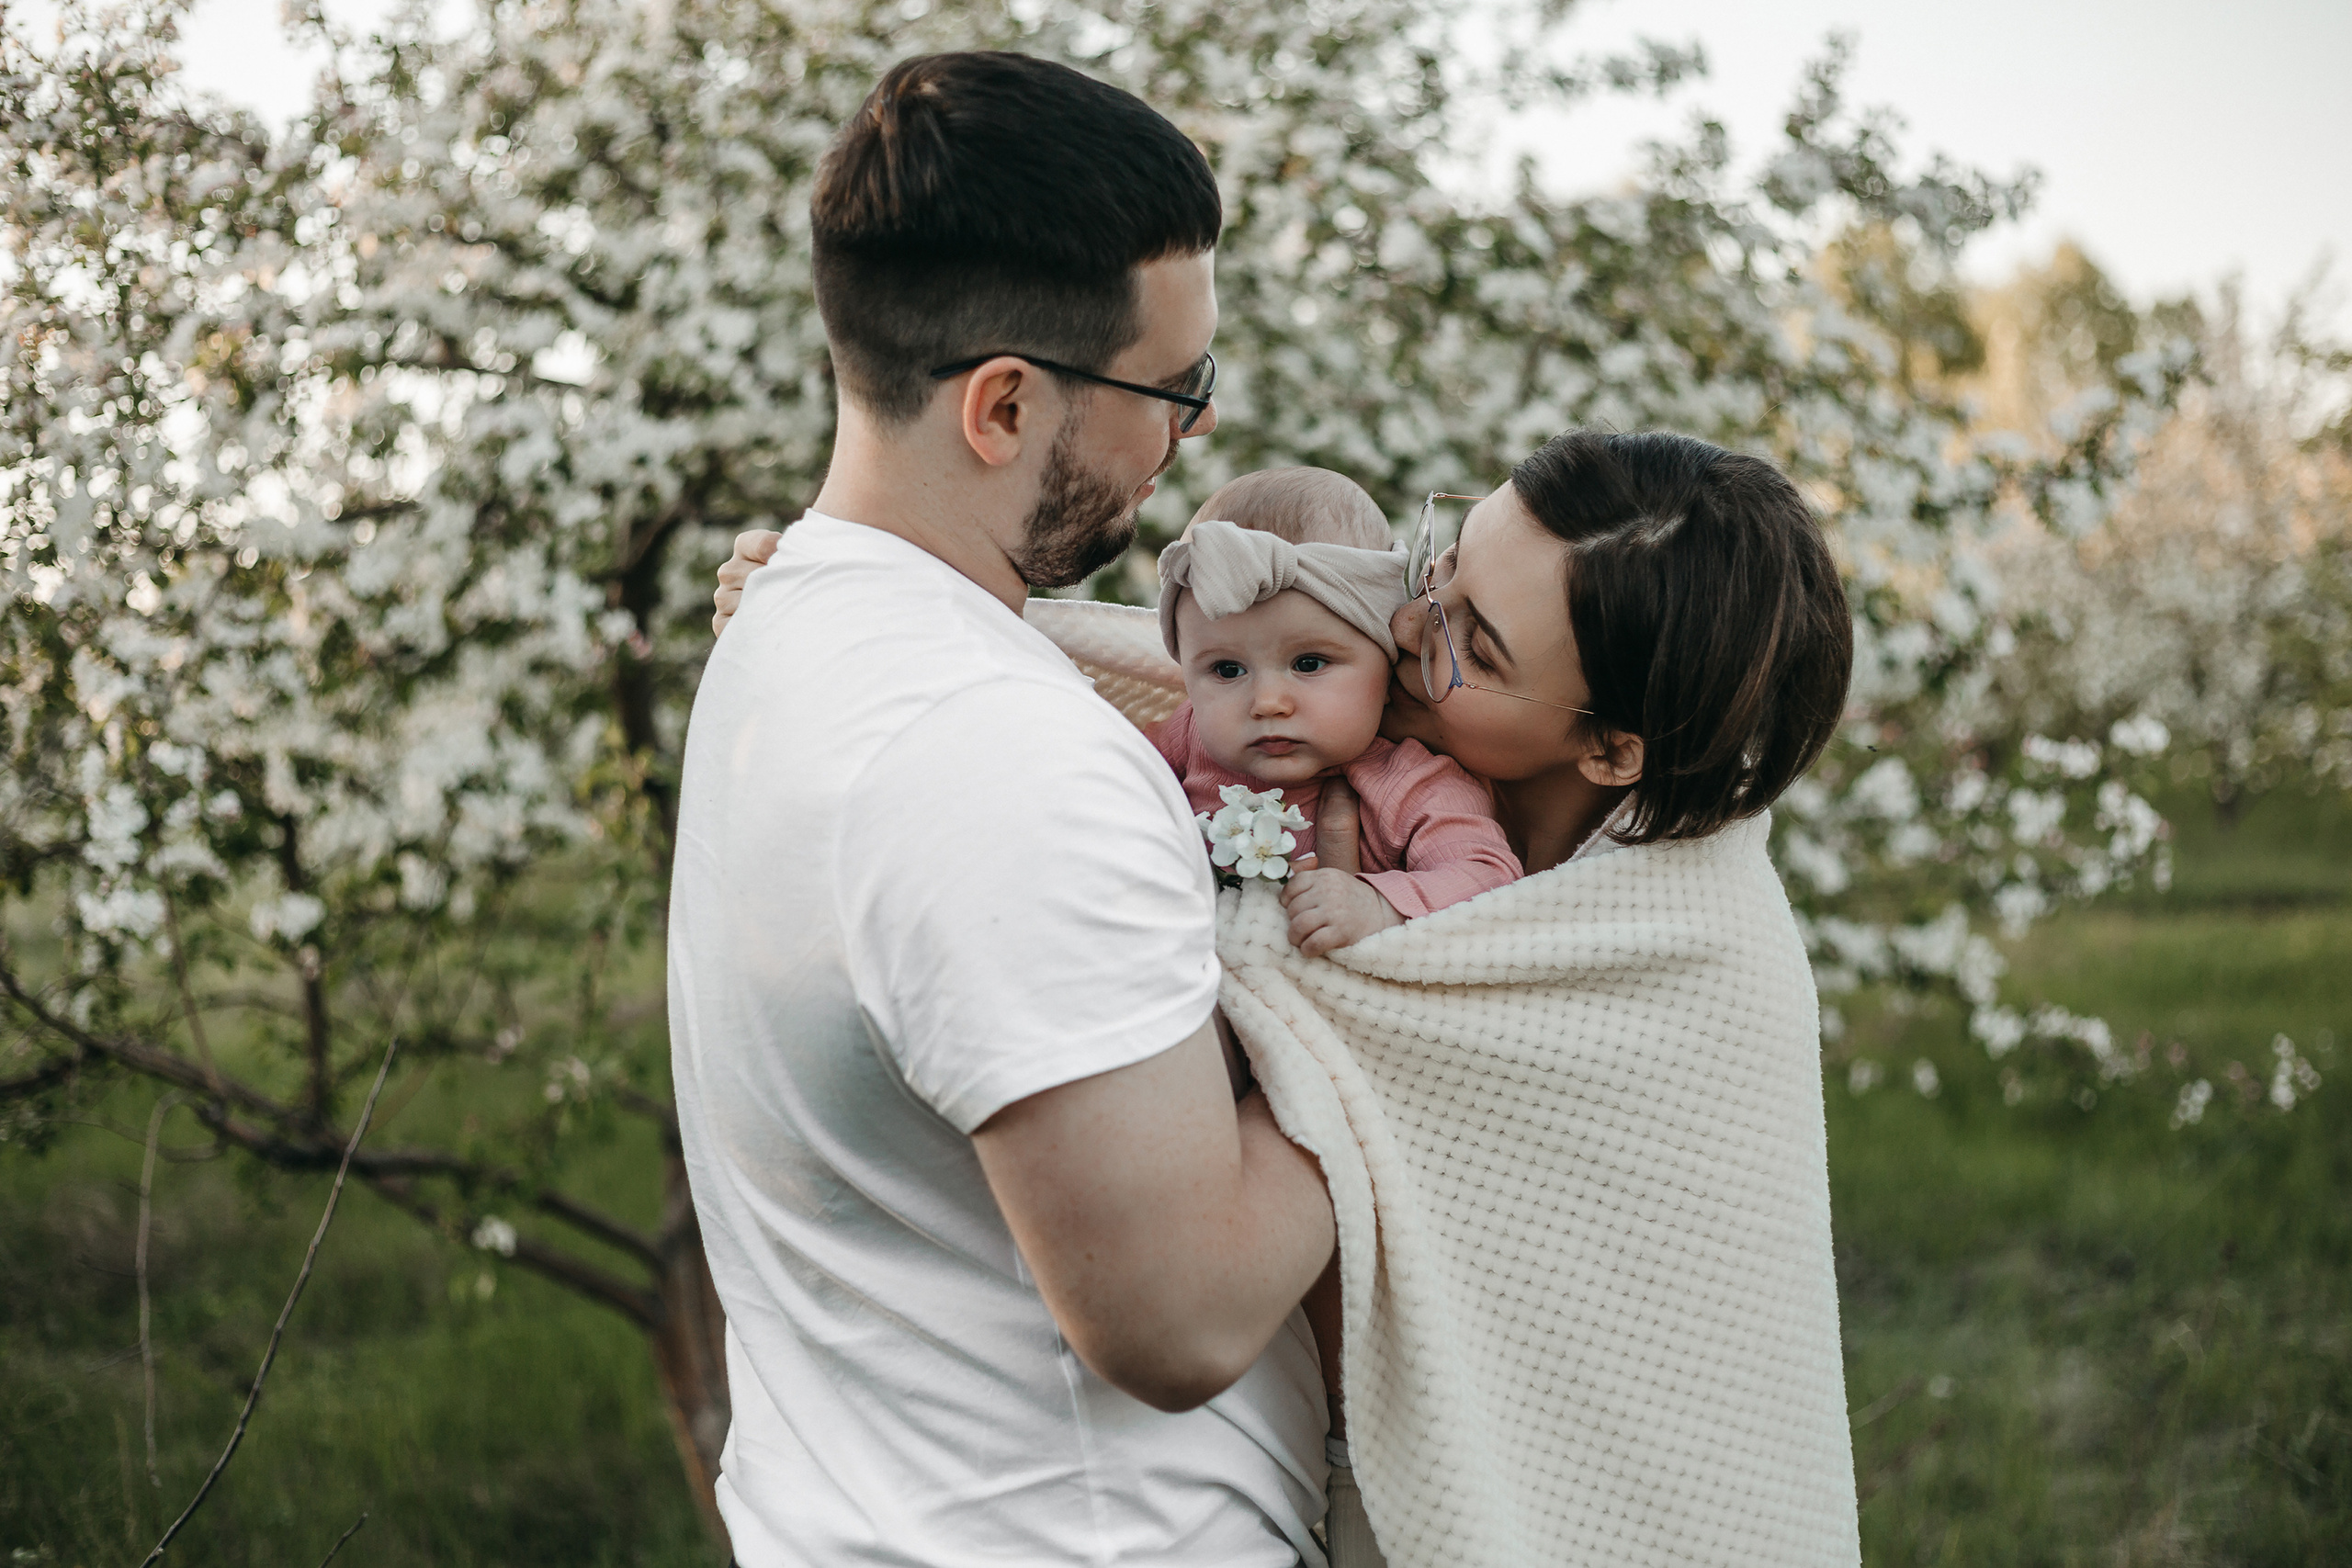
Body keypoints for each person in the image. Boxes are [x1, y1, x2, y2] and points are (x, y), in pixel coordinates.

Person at [713, 428, 1860, 1566]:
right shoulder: (1400, 718)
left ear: (1611, 750)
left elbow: (1198, 1304)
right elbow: (1175, 685)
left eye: (1478, 645)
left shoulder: (1658, 951)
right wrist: (862, 618)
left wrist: (1314, 960)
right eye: (1442, 565)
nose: (1409, 627)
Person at [669, 51, 1339, 1568]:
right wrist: (1412, 1042)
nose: (1194, 436)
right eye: (1177, 391)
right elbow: (1179, 1313)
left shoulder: (786, 630)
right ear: (1004, 405)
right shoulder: (1000, 755)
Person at [1149, 470, 1521, 954]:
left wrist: (1377, 905)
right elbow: (1107, 781)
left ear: (1385, 663)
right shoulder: (1191, 735)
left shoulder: (1411, 783)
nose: (1267, 703)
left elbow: (1489, 878)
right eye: (1226, 669)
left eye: (1309, 663)